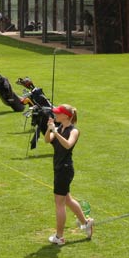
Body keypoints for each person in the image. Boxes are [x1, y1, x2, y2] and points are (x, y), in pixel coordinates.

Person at [45, 104, 93, 245]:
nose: (55, 115)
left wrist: (56, 132)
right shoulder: (59, 128)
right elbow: (47, 140)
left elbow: (67, 145)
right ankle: (86, 223)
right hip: (58, 168)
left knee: (59, 203)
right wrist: (50, 129)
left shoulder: (74, 131)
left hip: (64, 169)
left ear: (66, 116)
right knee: (67, 200)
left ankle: (59, 237)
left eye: (58, 113)